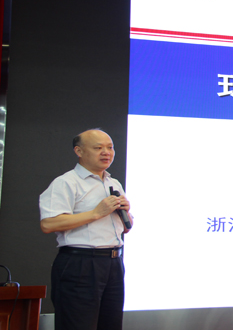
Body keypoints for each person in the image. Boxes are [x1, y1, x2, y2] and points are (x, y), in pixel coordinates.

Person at [39, 129, 133, 330]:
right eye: (98, 148)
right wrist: (96, 213)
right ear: (79, 151)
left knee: (110, 324)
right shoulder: (66, 182)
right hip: (81, 264)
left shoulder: (113, 183)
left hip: (113, 263)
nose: (106, 152)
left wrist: (127, 214)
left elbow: (125, 228)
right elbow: (48, 224)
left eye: (110, 147)